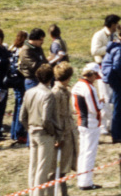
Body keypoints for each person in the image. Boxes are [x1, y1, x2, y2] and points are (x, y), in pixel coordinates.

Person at [19, 64, 58, 196]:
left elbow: (21, 117)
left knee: (33, 166)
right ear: (50, 78)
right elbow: (46, 119)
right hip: (44, 134)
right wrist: (53, 132)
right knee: (42, 168)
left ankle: (32, 193)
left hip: (32, 132)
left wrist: (29, 128)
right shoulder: (48, 94)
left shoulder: (29, 92)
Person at [49, 63, 79, 195]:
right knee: (57, 168)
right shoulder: (56, 93)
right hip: (62, 133)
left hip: (68, 131)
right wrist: (58, 136)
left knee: (64, 167)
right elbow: (55, 117)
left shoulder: (66, 91)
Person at [70, 63, 101, 192]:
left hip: (81, 121)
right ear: (92, 74)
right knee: (89, 153)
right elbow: (94, 108)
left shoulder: (76, 86)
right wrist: (102, 104)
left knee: (83, 152)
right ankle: (86, 182)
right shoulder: (89, 88)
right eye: (95, 75)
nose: (96, 78)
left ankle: (82, 180)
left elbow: (73, 105)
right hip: (90, 123)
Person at [101, 24, 121, 143]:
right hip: (118, 80)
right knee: (120, 108)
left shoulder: (115, 43)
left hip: (115, 79)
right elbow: (117, 66)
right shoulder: (120, 48)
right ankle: (118, 135)